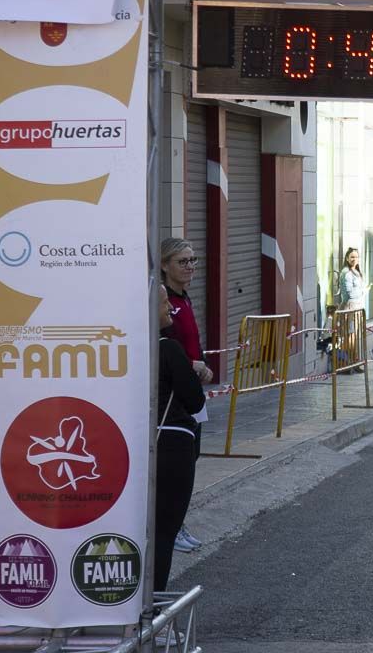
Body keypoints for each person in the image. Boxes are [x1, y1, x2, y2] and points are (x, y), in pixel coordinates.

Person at [159, 238, 212, 554]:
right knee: (177, 464)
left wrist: (202, 364)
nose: (190, 267)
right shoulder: (164, 303)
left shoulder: (185, 299)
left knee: (191, 458)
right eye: (182, 261)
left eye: (193, 260)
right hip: (173, 396)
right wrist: (192, 365)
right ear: (165, 265)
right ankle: (170, 525)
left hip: (192, 391)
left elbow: (192, 342)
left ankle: (178, 522)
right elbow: (165, 346)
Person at [154, 285, 206, 591]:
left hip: (128, 445)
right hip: (172, 445)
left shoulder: (117, 348)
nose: (169, 309)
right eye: (163, 303)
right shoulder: (168, 349)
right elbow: (195, 401)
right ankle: (152, 610)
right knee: (164, 532)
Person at [338, 248, 367, 372]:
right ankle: (344, 362)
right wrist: (363, 291)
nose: (354, 259)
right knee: (350, 337)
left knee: (354, 337)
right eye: (352, 257)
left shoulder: (356, 271)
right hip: (351, 308)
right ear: (347, 258)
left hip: (357, 308)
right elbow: (349, 293)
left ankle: (353, 362)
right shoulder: (347, 273)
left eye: (356, 257)